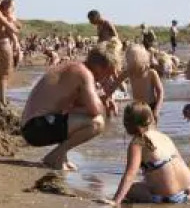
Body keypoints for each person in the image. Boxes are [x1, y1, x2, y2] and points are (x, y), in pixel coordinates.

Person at [20, 40, 122, 170]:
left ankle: (61, 156)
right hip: (35, 127)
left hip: (32, 126)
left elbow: (71, 105)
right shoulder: (84, 74)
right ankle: (55, 156)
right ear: (101, 68)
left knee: (77, 114)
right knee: (97, 122)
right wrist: (103, 100)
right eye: (109, 73)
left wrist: (101, 98)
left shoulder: (75, 68)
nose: (108, 78)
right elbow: (96, 110)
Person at [103, 102, 190, 205]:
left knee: (131, 189)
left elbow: (130, 174)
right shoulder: (163, 136)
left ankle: (161, 198)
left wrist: (115, 201)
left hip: (168, 197)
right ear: (149, 119)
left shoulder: (138, 142)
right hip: (184, 191)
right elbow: (182, 163)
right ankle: (183, 196)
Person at [123, 44, 164, 122]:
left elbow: (160, 92)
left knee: (151, 128)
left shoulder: (151, 73)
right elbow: (114, 85)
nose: (133, 69)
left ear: (143, 60)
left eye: (135, 64)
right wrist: (107, 96)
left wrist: (157, 109)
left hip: (151, 106)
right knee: (135, 127)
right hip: (136, 107)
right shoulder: (130, 72)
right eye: (131, 64)